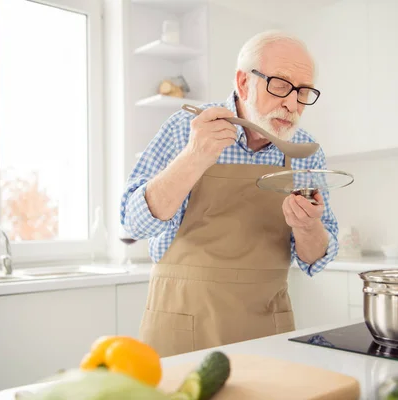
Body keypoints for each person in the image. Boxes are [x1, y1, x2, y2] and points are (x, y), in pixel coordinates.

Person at [120, 30, 339, 357]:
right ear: (243, 82)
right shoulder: (185, 130)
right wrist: (194, 156)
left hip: (266, 328)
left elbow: (314, 261)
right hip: (180, 323)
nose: (292, 103)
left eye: (303, 91)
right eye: (279, 85)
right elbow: (133, 224)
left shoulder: (306, 154)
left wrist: (309, 226)